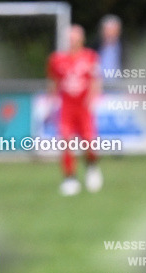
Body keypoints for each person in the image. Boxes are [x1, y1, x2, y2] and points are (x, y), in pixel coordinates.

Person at [46, 24, 102, 196]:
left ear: (81, 39)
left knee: (89, 141)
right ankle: (70, 178)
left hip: (83, 107)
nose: (72, 41)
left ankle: (92, 167)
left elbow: (95, 80)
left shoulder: (90, 57)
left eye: (75, 37)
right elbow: (53, 82)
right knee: (65, 142)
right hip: (66, 107)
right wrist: (51, 101)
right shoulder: (56, 59)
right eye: (70, 38)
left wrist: (93, 98)